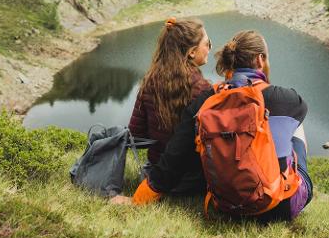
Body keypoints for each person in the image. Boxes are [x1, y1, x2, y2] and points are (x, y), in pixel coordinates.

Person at [113, 30, 313, 222]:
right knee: (295, 125)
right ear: (260, 59)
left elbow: (174, 156)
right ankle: (282, 185)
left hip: (228, 205)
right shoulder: (289, 100)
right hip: (280, 207)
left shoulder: (207, 99)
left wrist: (137, 199)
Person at [127, 17, 212, 195]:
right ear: (191, 52)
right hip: (191, 180)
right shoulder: (203, 90)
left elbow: (136, 135)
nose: (210, 48)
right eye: (207, 43)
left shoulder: (149, 82)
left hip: (155, 174)